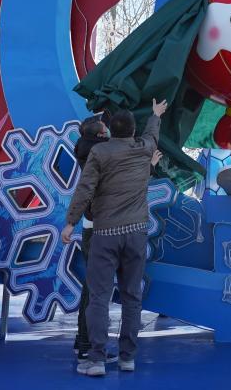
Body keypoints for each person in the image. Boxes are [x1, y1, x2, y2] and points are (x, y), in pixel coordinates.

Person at [63, 99, 168, 377]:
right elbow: (152, 135)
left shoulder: (100, 152)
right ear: (132, 131)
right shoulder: (144, 148)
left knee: (99, 297)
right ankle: (127, 358)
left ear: (111, 130)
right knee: (132, 297)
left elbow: (85, 189)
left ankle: (97, 359)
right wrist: (155, 114)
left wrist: (71, 222)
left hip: (105, 234)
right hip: (135, 233)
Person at [71, 114, 109, 360]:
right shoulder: (100, 156)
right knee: (95, 289)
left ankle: (83, 339)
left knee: (92, 286)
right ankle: (87, 342)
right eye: (105, 126)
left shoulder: (88, 152)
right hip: (99, 227)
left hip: (90, 226)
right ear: (100, 134)